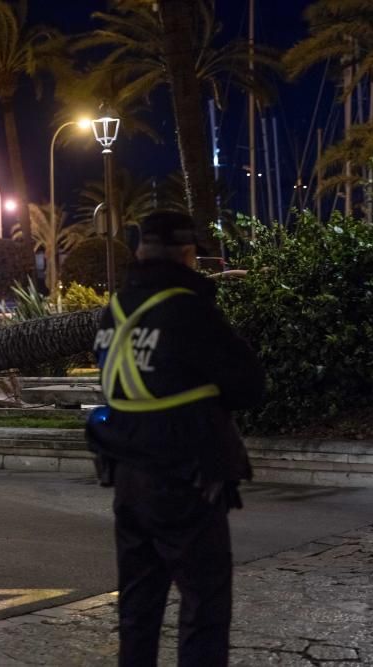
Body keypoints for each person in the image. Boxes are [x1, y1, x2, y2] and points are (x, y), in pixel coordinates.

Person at [87, 210, 265, 666]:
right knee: (203, 608)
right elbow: (250, 384)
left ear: (140, 252)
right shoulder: (188, 309)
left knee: (138, 607)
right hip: (187, 476)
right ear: (188, 254)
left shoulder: (116, 309)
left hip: (127, 476)